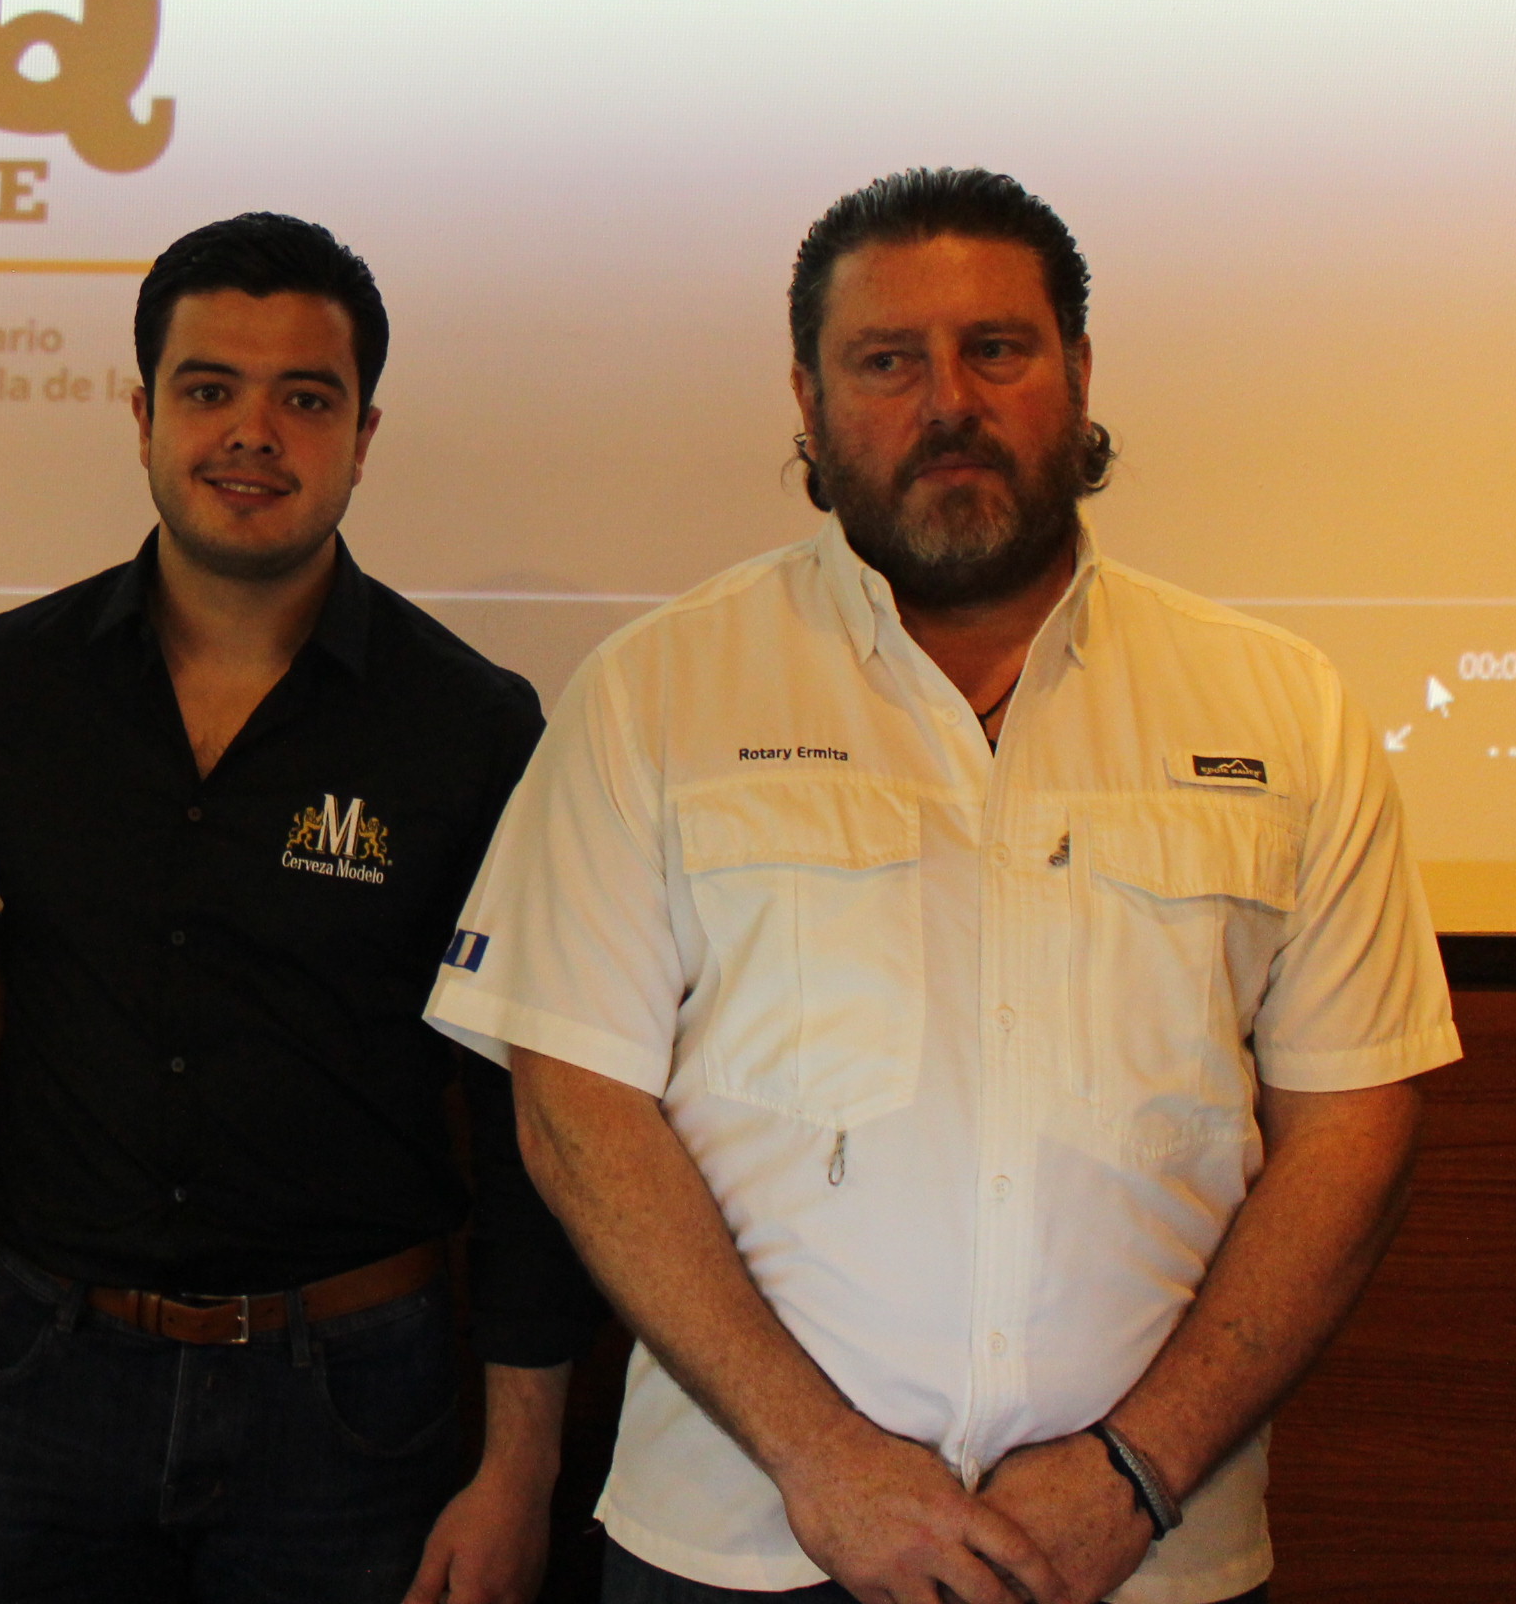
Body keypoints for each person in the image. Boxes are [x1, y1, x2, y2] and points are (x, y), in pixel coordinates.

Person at [427, 167, 1461, 1604]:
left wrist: (1138, 1472)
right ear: (808, 400)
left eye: (997, 349)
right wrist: (821, 1460)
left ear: (1079, 374)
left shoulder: (1283, 709)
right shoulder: (654, 696)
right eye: (886, 362)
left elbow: (1354, 1129)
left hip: (1142, 1556)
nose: (948, 401)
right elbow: (574, 1106)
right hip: (746, 1541)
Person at [0, 212, 603, 1604]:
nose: (252, 434)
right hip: (34, 1375)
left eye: (306, 399)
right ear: (143, 415)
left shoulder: (469, 726)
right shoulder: (5, 687)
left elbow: (534, 1118)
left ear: (364, 434)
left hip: (353, 1402)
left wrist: (519, 1467)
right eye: (210, 388)